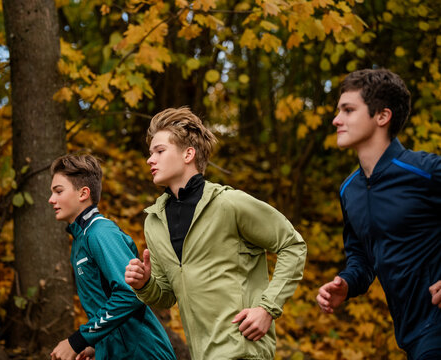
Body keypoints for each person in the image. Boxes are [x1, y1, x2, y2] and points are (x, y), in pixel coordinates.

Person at [124, 107, 307, 359]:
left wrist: (267, 309)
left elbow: (293, 244)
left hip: (244, 349)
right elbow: (166, 297)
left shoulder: (229, 204)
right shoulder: (155, 222)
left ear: (188, 154)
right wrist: (145, 284)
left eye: (160, 151)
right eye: (150, 153)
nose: (150, 159)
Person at [316, 69, 441, 359]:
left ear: (382, 117)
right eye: (338, 111)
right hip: (409, 333)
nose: (336, 120)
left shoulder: (426, 172)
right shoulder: (350, 191)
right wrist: (346, 284)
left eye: (348, 110)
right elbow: (361, 258)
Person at [48, 154, 176, 360]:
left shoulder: (101, 233)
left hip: (143, 353)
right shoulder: (81, 239)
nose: (51, 199)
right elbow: (107, 305)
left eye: (58, 191)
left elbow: (130, 293)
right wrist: (96, 345)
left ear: (83, 193)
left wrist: (78, 340)